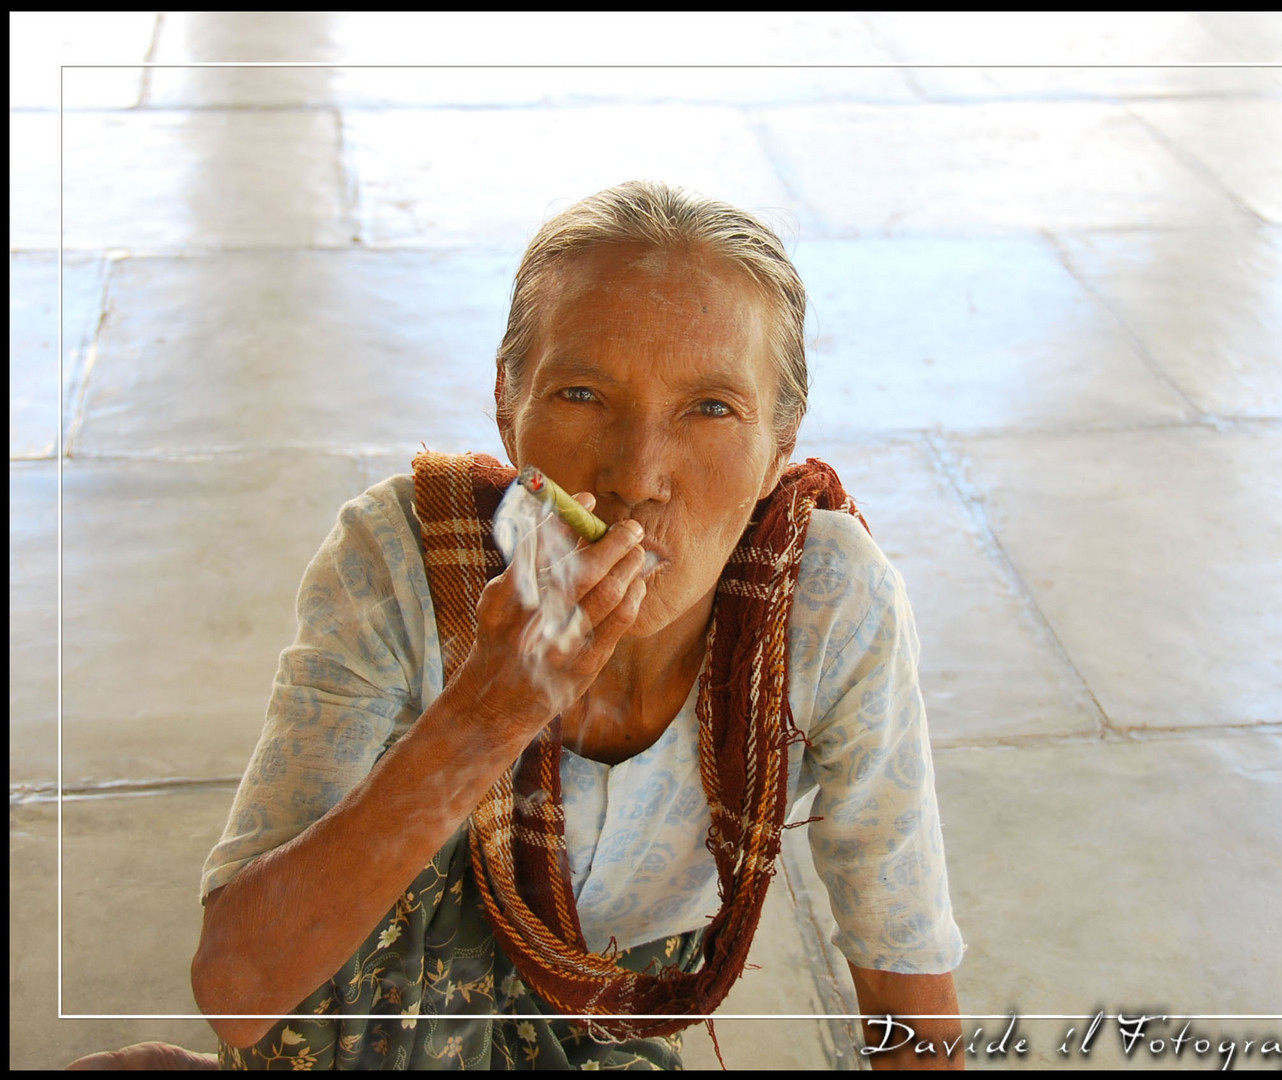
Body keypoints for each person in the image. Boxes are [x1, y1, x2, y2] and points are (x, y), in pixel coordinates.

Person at [190, 180, 965, 1070]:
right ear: (505, 407)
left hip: (600, 1015)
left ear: (778, 449)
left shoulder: (829, 607)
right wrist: (482, 715)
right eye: (582, 393)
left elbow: (904, 973)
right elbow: (237, 990)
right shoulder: (401, 560)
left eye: (711, 408)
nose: (638, 474)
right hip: (367, 997)